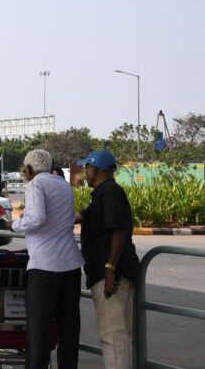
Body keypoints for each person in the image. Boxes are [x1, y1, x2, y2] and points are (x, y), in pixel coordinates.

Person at [8, 149, 83, 369]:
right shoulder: (63, 184)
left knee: (39, 330)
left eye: (24, 170)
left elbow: (37, 218)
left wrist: (13, 225)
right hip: (70, 264)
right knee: (68, 330)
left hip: (44, 266)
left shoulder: (36, 184)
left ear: (29, 169)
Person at [76, 150, 141, 369]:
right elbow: (95, 218)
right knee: (118, 334)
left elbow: (119, 231)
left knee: (113, 335)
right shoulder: (105, 193)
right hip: (114, 271)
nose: (85, 172)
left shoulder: (109, 192)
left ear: (95, 170)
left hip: (112, 274)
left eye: (86, 168)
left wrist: (109, 267)